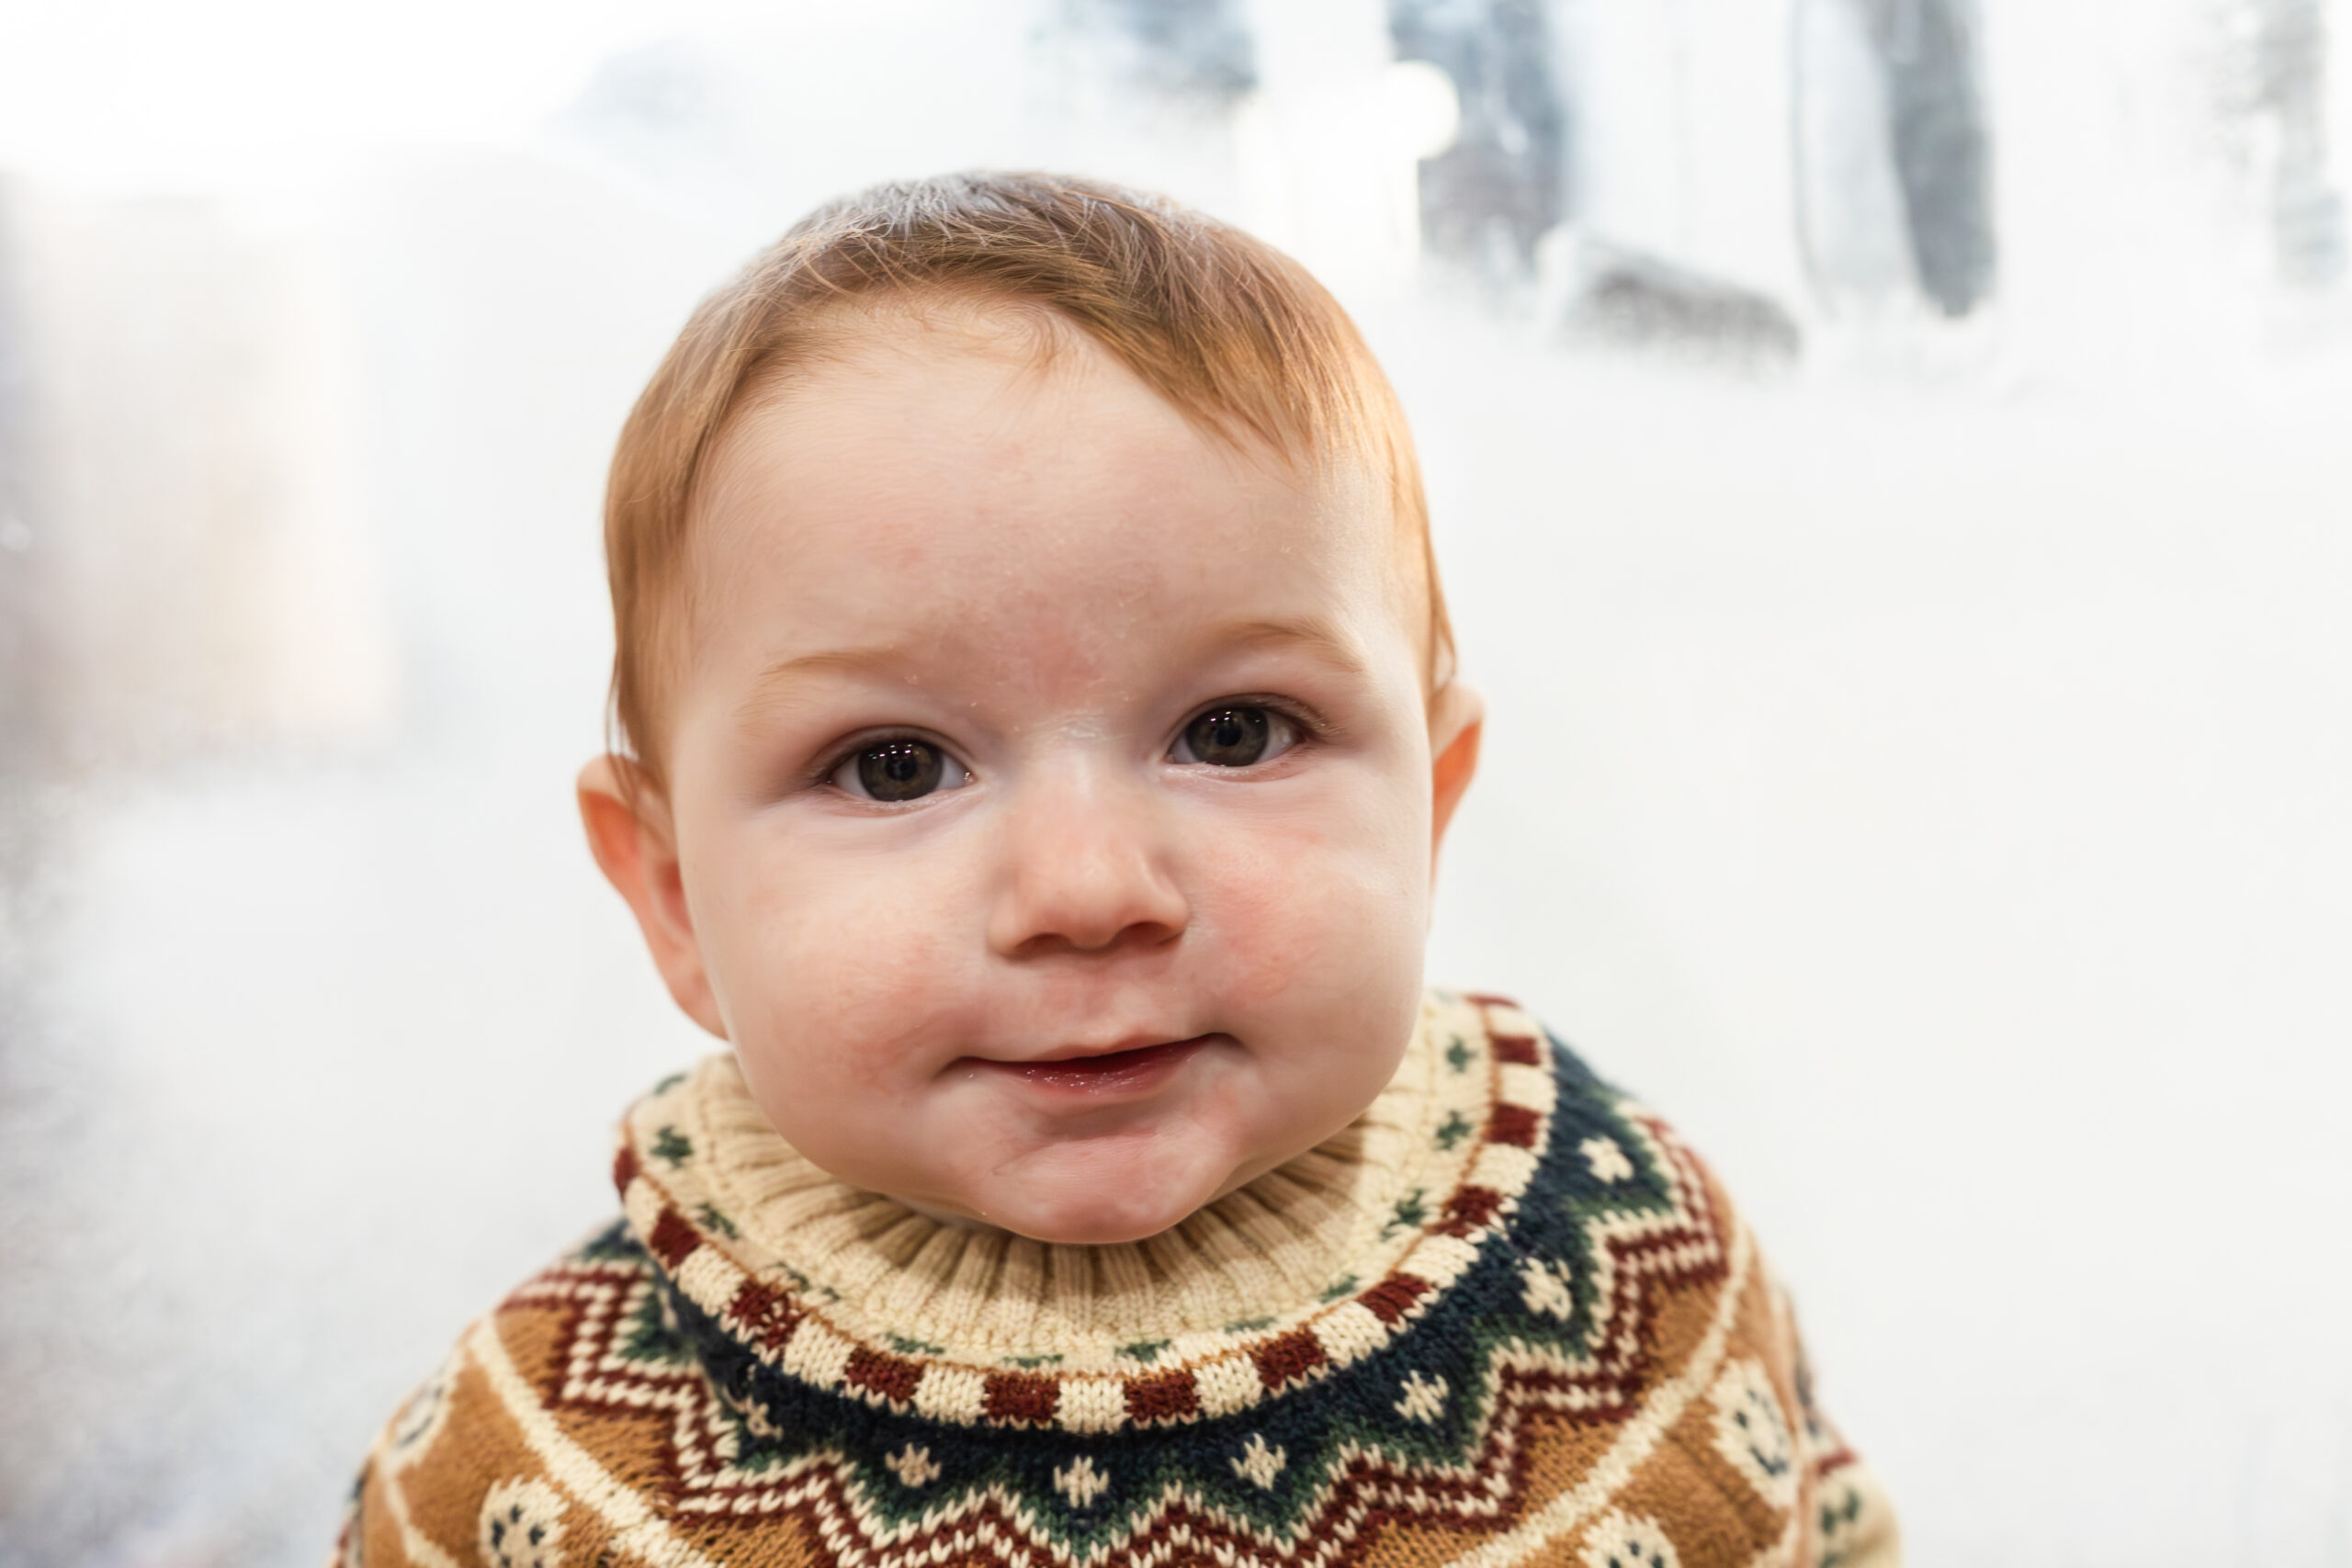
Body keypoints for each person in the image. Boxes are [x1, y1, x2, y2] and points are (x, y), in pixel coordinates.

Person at [337, 172, 1897, 1568]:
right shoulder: (540, 1463)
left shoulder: (1631, 1256)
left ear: (1431, 803)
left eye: (1234, 732)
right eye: (894, 766)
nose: (1088, 890)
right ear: (674, 900)